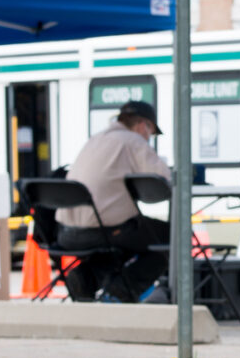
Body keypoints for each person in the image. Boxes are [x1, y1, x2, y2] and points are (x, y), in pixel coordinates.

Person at [56, 101, 170, 301]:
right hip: (102, 230)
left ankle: (85, 278)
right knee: (172, 236)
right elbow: (165, 179)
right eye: (150, 133)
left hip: (65, 232)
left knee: (126, 238)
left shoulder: (96, 139)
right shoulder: (133, 141)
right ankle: (121, 289)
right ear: (143, 125)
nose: (148, 138)